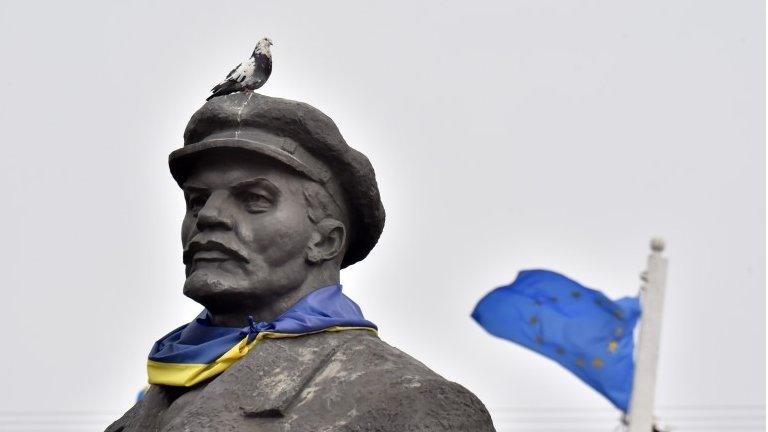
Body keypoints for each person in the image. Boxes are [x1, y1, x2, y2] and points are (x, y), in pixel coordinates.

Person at [106, 92, 495, 431]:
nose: (209, 216)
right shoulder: (139, 412)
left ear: (325, 242)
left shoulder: (408, 403)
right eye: (197, 200)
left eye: (254, 199)